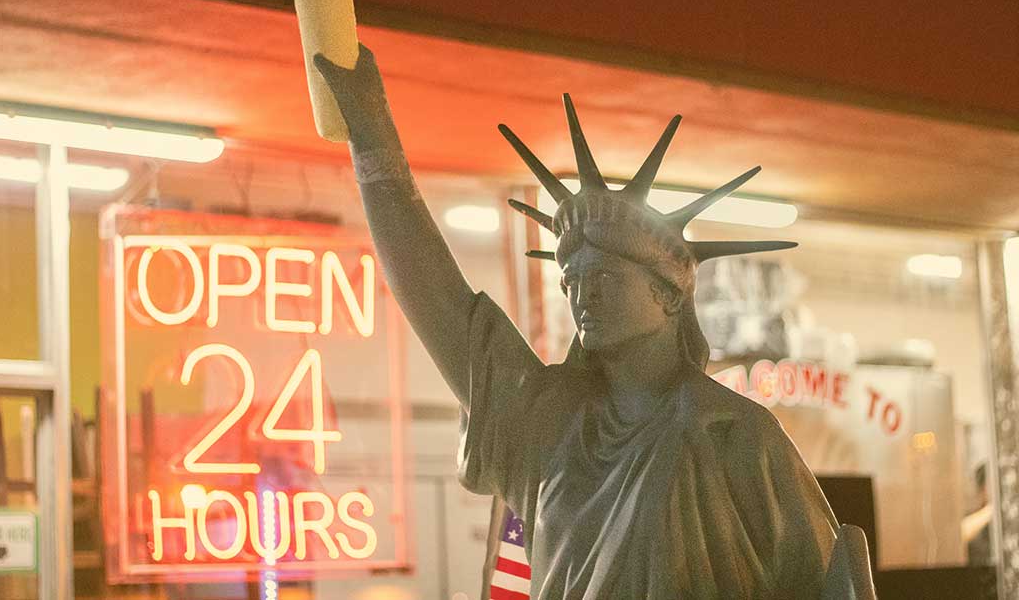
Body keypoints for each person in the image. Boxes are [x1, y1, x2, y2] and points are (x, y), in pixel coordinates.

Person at [313, 46, 859, 599]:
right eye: (572, 283)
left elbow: (821, 582)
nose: (583, 299)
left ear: (668, 294)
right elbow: (440, 306)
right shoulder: (548, 423)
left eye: (605, 281)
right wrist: (373, 141)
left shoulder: (735, 435)